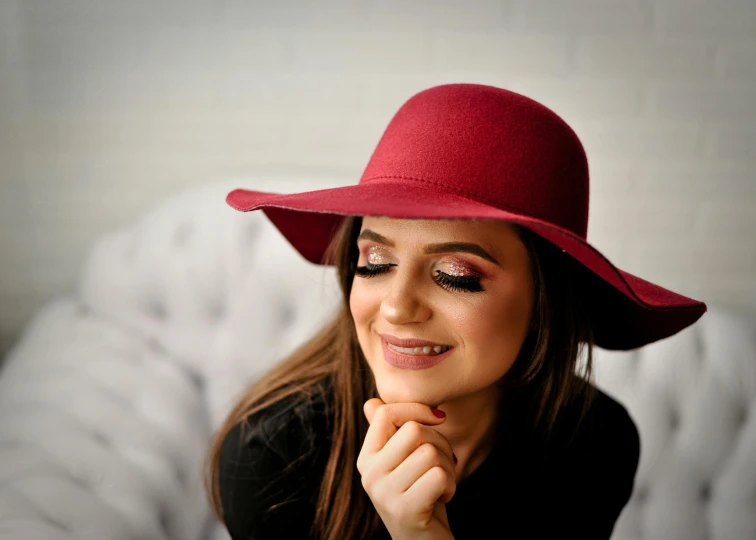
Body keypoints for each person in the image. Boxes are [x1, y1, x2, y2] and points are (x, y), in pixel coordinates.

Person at [203, 83, 707, 540]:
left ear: (543, 302)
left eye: (455, 275)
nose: (398, 308)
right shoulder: (271, 453)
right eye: (375, 261)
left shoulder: (595, 441)